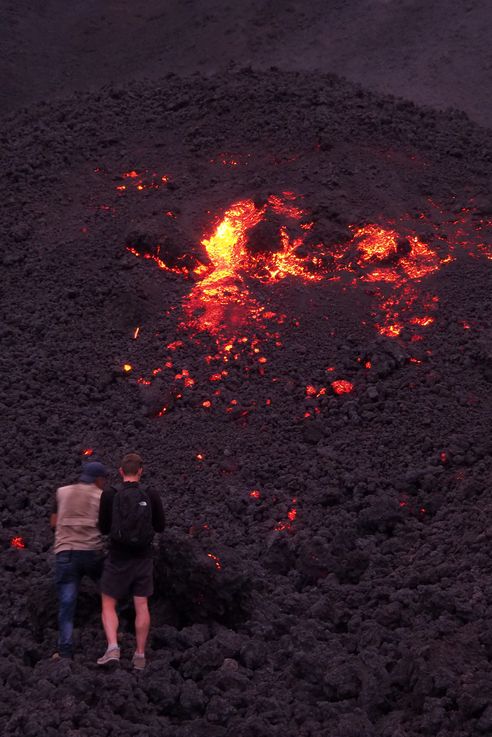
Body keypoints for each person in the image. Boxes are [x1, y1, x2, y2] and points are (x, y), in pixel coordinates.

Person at [97, 452, 165, 670]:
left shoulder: (110, 494)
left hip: (117, 556)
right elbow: (160, 526)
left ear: (120, 471)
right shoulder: (151, 494)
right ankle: (140, 655)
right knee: (142, 605)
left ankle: (113, 648)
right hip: (143, 556)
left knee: (108, 603)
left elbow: (104, 528)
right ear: (141, 471)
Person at [51, 460, 109, 659]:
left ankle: (65, 650)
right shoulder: (102, 496)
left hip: (65, 553)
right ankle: (114, 638)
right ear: (99, 479)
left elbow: (53, 522)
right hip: (91, 552)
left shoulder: (62, 492)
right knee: (109, 593)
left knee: (67, 602)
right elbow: (105, 526)